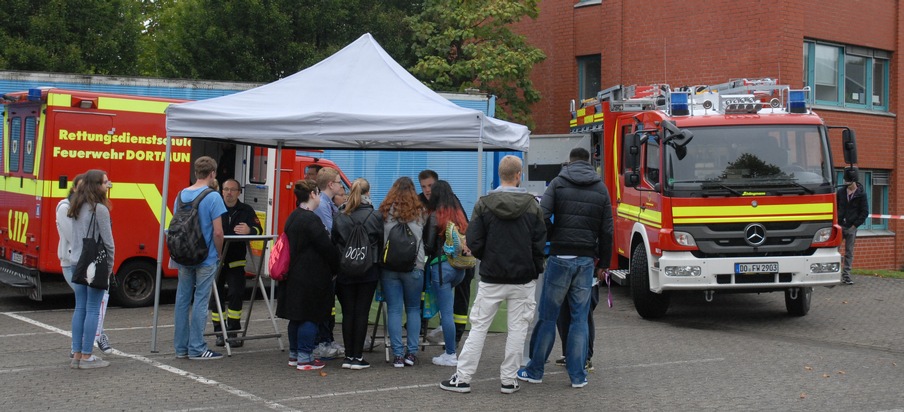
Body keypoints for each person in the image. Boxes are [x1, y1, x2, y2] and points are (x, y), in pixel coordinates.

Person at [440, 155, 547, 394]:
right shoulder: (532, 205)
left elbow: (474, 241)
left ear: (500, 174)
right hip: (523, 277)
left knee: (478, 327)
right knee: (518, 329)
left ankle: (463, 377)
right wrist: (535, 266)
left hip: (491, 275)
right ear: (519, 175)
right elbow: (540, 242)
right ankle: (509, 380)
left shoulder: (484, 203)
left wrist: (485, 257)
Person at [518, 147, 613, 389]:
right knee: (580, 319)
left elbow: (542, 214)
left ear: (569, 162)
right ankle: (578, 375)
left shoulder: (559, 183)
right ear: (589, 162)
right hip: (585, 261)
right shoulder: (601, 188)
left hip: (560, 256)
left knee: (548, 317)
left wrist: (549, 238)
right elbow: (607, 230)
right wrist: (604, 263)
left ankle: (535, 370)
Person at [276, 179, 340, 370]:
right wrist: (337, 264)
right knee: (309, 316)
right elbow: (326, 247)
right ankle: (305, 358)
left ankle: (295, 355)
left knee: (296, 316)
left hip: (293, 275)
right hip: (311, 277)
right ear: (312, 194)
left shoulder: (293, 216)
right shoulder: (311, 219)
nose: (319, 197)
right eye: (318, 194)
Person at [172, 156, 227, 360]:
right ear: (212, 174)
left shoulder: (180, 195)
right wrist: (219, 253)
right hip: (205, 257)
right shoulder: (213, 197)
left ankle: (180, 348)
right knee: (201, 301)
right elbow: (218, 232)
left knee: (182, 300)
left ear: (196, 172)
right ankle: (197, 347)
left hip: (184, 255)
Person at [58, 174, 114, 356]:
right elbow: (108, 242)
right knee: (93, 309)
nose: (108, 185)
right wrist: (109, 267)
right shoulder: (99, 209)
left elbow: (74, 238)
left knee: (80, 307)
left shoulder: (75, 206)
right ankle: (87, 355)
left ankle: (76, 353)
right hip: (94, 264)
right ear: (96, 185)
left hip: (76, 262)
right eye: (105, 182)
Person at [332, 178, 383, 370]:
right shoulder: (375, 216)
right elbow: (381, 241)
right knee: (362, 312)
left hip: (345, 269)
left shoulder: (340, 215)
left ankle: (347, 356)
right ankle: (358, 356)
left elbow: (334, 241)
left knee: (348, 313)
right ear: (367, 193)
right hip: (368, 269)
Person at [419, 169, 473, 349]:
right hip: (462, 265)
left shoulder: (436, 213)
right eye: (424, 187)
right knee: (455, 306)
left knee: (447, 312)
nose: (427, 190)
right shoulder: (456, 208)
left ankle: (450, 349)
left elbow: (428, 242)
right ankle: (454, 339)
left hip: (443, 266)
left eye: (430, 186)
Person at [379, 177, 428, 368]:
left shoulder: (384, 211)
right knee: (414, 309)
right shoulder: (420, 212)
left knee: (394, 310)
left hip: (389, 267)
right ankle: (411, 354)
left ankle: (397, 355)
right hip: (415, 266)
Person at [209, 179, 263, 348]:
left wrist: (249, 230)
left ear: (239, 192)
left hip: (236, 261)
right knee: (216, 297)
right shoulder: (215, 207)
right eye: (226, 189)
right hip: (217, 260)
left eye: (233, 190)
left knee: (235, 295)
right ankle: (219, 332)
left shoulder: (246, 210)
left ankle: (232, 331)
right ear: (221, 191)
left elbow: (259, 230)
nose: (229, 193)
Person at [312, 167, 344, 359]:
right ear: (331, 184)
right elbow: (332, 233)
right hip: (324, 263)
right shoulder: (323, 205)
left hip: (328, 262)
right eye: (339, 182)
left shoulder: (328, 204)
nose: (341, 186)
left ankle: (327, 338)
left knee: (329, 304)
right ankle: (322, 341)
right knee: (324, 304)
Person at [837, 167, 868, 286]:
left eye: (848, 181)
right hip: (840, 226)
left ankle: (846, 276)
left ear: (853, 181)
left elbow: (864, 212)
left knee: (849, 252)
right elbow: (835, 207)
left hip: (851, 227)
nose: (846, 184)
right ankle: (835, 273)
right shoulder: (840, 192)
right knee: (835, 251)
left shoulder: (861, 195)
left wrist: (855, 226)